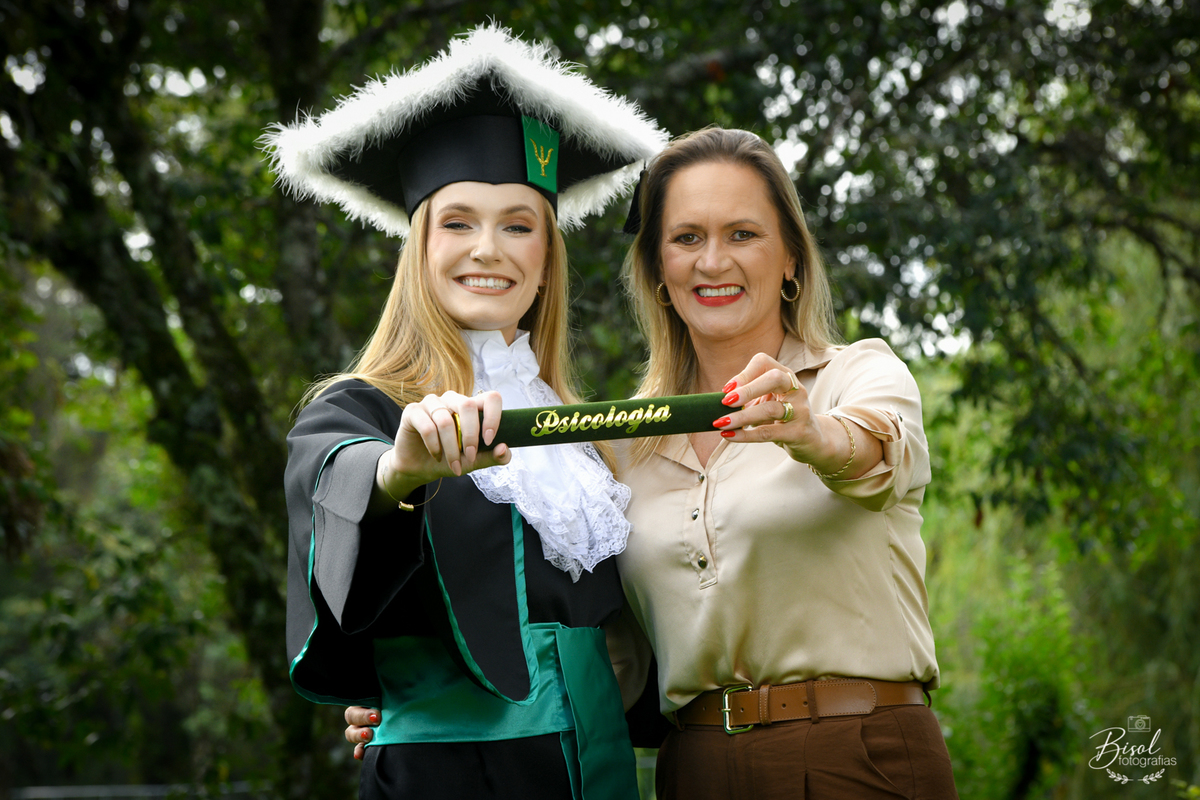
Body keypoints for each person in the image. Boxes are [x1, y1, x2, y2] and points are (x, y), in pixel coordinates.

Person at [347, 125, 959, 799]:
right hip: (693, 766)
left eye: (743, 235)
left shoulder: (857, 375)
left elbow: (877, 451)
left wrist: (811, 432)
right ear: (660, 273)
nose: (713, 261)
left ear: (791, 259)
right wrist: (432, 698)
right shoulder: (618, 445)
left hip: (855, 752)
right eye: (687, 238)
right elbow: (609, 652)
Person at [266, 25, 664, 800]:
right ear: (419, 247)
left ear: (547, 258)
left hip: (596, 767)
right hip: (449, 780)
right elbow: (339, 478)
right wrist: (401, 468)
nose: (489, 248)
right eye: (458, 223)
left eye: (519, 224)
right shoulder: (362, 407)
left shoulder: (583, 435)